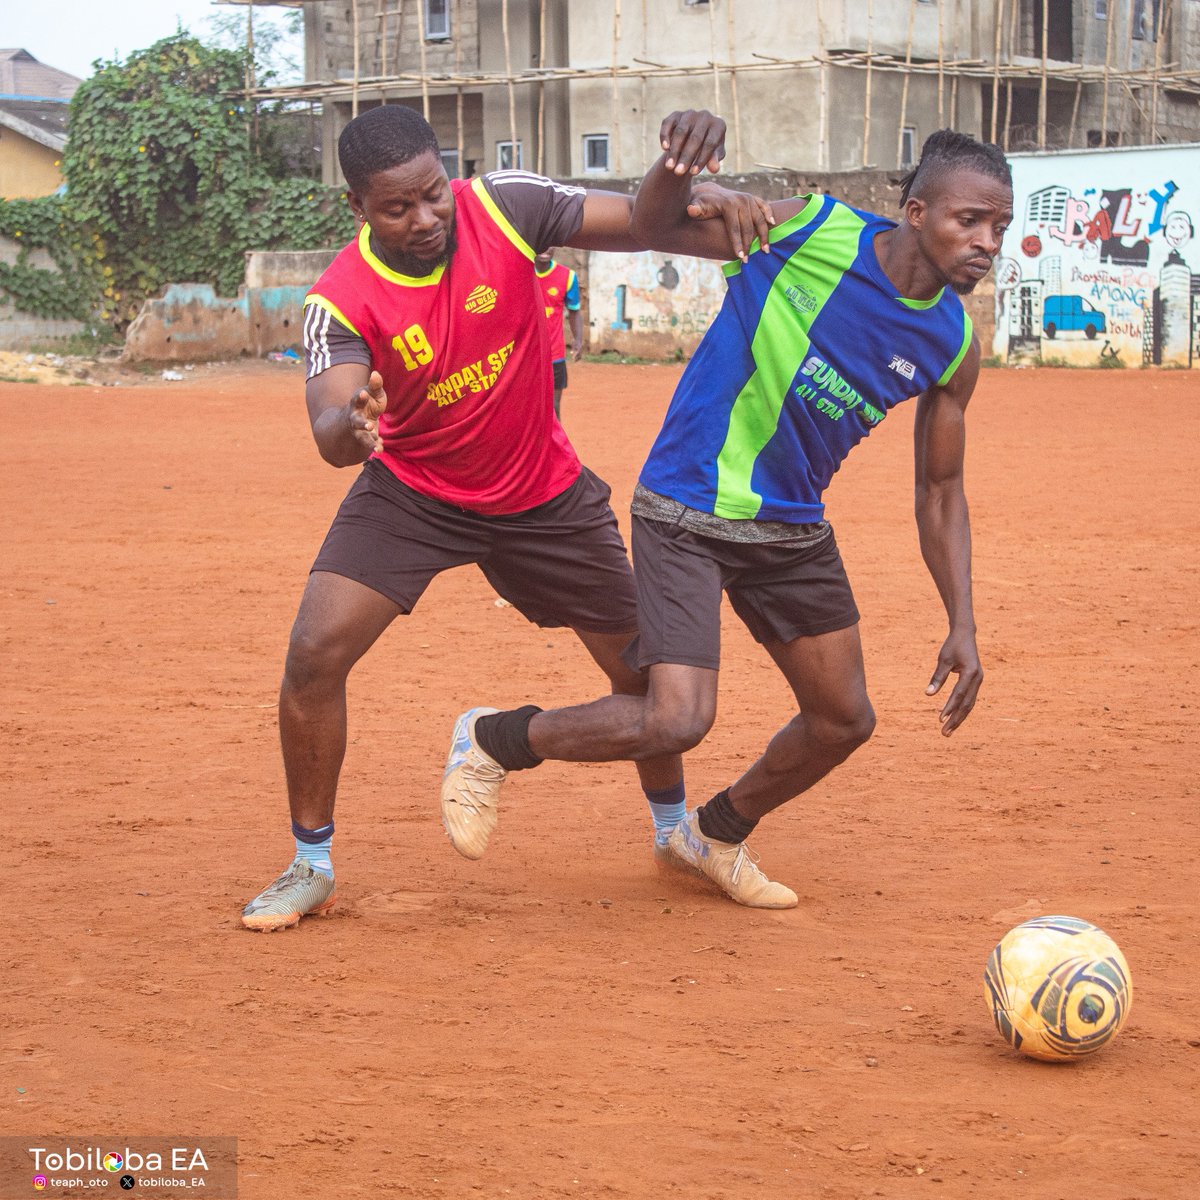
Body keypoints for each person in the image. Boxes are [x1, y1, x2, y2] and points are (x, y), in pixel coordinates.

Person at [441, 113, 1012, 909]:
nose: (988, 240)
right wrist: (690, 175)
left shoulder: (952, 344)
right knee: (676, 719)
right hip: (685, 503)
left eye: (1001, 227)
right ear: (917, 212)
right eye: (970, 219)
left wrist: (963, 620)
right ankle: (493, 738)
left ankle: (711, 832)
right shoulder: (812, 229)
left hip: (791, 527)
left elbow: (940, 490)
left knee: (844, 719)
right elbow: (656, 226)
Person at [240, 104, 764, 932]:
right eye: (395, 208)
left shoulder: (506, 206)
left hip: (543, 495)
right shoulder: (339, 301)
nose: (423, 220)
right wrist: (352, 427)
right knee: (313, 653)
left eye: (431, 195)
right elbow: (330, 425)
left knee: (647, 683)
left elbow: (638, 221)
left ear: (449, 175)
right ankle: (310, 862)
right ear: (357, 209)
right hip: (415, 492)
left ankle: (674, 834)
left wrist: (682, 171)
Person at [534, 248, 583, 418]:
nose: (546, 248)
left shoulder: (567, 276)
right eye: (542, 242)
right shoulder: (519, 271)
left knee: (554, 409)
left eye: (551, 243)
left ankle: (555, 445)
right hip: (526, 356)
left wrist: (578, 340)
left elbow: (574, 311)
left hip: (554, 355)